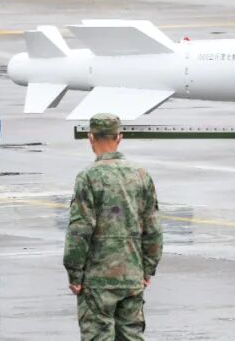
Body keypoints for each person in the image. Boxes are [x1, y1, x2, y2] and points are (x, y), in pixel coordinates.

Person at [64, 113, 163, 340]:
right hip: (132, 274)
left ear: (90, 138)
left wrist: (74, 273)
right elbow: (153, 228)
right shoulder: (141, 175)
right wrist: (148, 268)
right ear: (119, 137)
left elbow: (79, 230)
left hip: (97, 279)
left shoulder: (88, 177)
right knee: (131, 335)